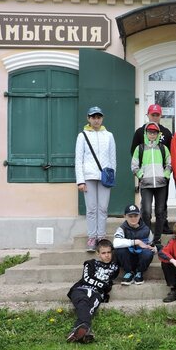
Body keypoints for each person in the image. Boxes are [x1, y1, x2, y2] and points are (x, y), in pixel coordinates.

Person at [75, 106, 116, 252]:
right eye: (93, 117)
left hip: (104, 176)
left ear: (102, 118)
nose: (96, 120)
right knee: (91, 208)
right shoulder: (82, 136)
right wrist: (80, 180)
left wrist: (112, 176)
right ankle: (92, 237)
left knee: (103, 208)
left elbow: (112, 158)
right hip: (89, 176)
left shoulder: (109, 135)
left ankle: (101, 236)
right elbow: (78, 159)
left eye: (98, 117)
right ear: (88, 118)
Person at [130, 104, 173, 234]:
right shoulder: (139, 132)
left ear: (160, 115)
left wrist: (166, 174)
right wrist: (141, 174)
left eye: (157, 115)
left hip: (161, 178)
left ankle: (162, 228)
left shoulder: (166, 133)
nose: (155, 117)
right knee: (146, 209)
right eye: (152, 114)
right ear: (148, 115)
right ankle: (146, 233)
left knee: (161, 207)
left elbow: (170, 156)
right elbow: (134, 153)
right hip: (146, 178)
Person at [66, 239, 119, 343]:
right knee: (83, 301)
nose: (107, 255)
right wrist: (103, 285)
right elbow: (87, 278)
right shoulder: (90, 264)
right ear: (98, 254)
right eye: (103, 253)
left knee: (91, 307)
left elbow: (108, 285)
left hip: (97, 294)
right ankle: (84, 330)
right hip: (81, 289)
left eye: (109, 252)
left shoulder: (114, 268)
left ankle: (77, 331)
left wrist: (104, 287)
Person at [113, 204, 156, 285]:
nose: (133, 218)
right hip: (127, 259)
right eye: (130, 216)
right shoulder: (122, 229)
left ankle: (139, 273)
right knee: (120, 250)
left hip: (140, 259)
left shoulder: (146, 230)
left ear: (139, 216)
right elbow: (115, 243)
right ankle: (129, 272)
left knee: (148, 252)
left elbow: (152, 245)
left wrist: (154, 249)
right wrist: (136, 242)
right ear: (125, 216)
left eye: (136, 216)